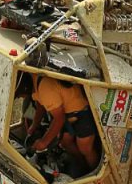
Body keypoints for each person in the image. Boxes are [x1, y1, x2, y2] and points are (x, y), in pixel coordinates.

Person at [24, 41, 99, 171]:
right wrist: (33, 126)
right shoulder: (36, 79)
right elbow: (40, 106)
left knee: (85, 148)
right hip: (68, 116)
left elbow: (59, 119)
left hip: (81, 113)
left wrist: (44, 142)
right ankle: (83, 168)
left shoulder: (44, 86)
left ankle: (94, 173)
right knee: (65, 143)